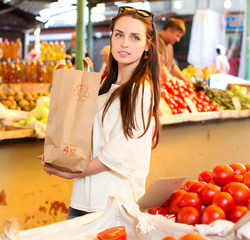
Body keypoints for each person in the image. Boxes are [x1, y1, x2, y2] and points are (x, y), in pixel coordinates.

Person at [40, 6, 161, 219]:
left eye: (135, 37)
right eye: (119, 35)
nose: (125, 43)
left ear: (147, 47)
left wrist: (71, 172)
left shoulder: (139, 91)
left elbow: (117, 154)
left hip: (112, 206)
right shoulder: (107, 85)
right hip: (84, 199)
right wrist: (62, 155)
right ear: (111, 38)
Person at [157, 18, 190, 83]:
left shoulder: (170, 46)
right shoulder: (156, 42)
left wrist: (185, 80)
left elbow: (172, 66)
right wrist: (176, 82)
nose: (178, 40)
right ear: (169, 30)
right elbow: (161, 68)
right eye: (177, 36)